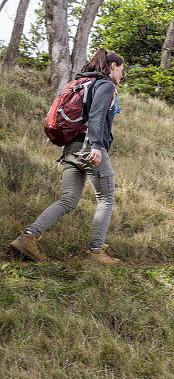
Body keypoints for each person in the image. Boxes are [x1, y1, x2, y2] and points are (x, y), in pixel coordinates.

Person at [10, 48, 124, 265]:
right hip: (89, 148)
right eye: (121, 69)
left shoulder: (83, 83)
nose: (122, 74)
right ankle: (97, 252)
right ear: (112, 66)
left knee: (68, 200)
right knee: (106, 198)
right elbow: (97, 116)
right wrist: (97, 147)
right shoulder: (105, 84)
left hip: (69, 149)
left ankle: (28, 238)